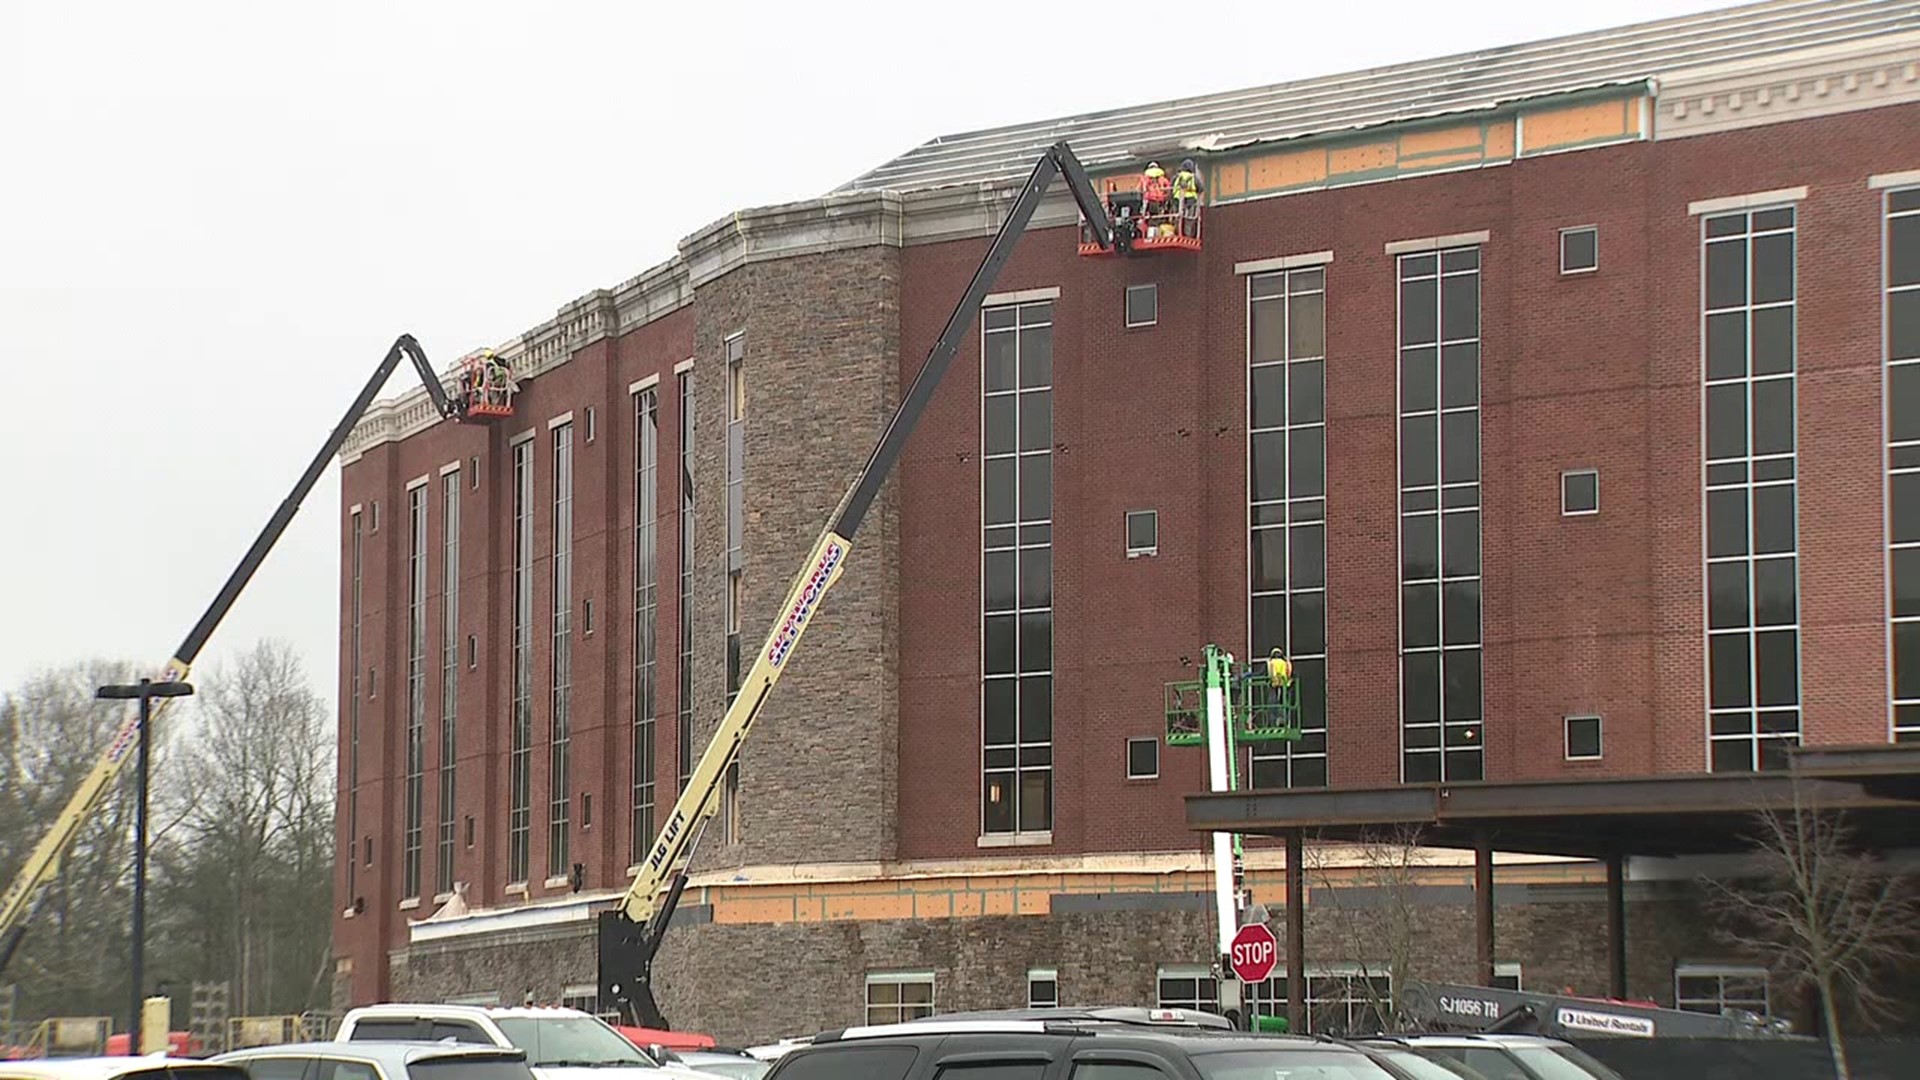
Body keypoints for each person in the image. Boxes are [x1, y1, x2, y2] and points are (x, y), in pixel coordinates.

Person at [1173, 158, 1204, 234]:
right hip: (1190, 200)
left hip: (1178, 199)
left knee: (1178, 217)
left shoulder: (1177, 177)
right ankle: (1187, 233)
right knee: (1189, 219)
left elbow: (1171, 187)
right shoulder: (1193, 178)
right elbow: (1201, 188)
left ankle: (1177, 232)